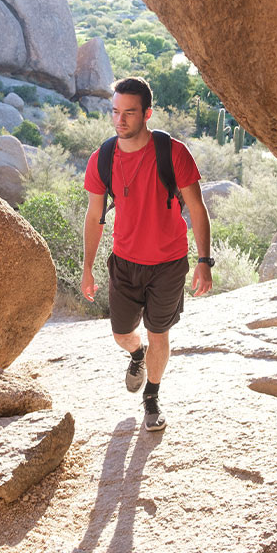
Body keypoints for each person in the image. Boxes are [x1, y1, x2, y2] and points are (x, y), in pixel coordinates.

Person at [81, 77, 213, 432]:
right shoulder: (103, 158)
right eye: (115, 112)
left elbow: (197, 209)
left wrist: (204, 261)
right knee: (122, 334)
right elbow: (95, 217)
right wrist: (87, 268)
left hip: (168, 265)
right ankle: (136, 355)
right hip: (124, 262)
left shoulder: (173, 153)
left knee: (160, 333)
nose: (120, 120)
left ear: (147, 113)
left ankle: (151, 398)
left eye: (129, 113)